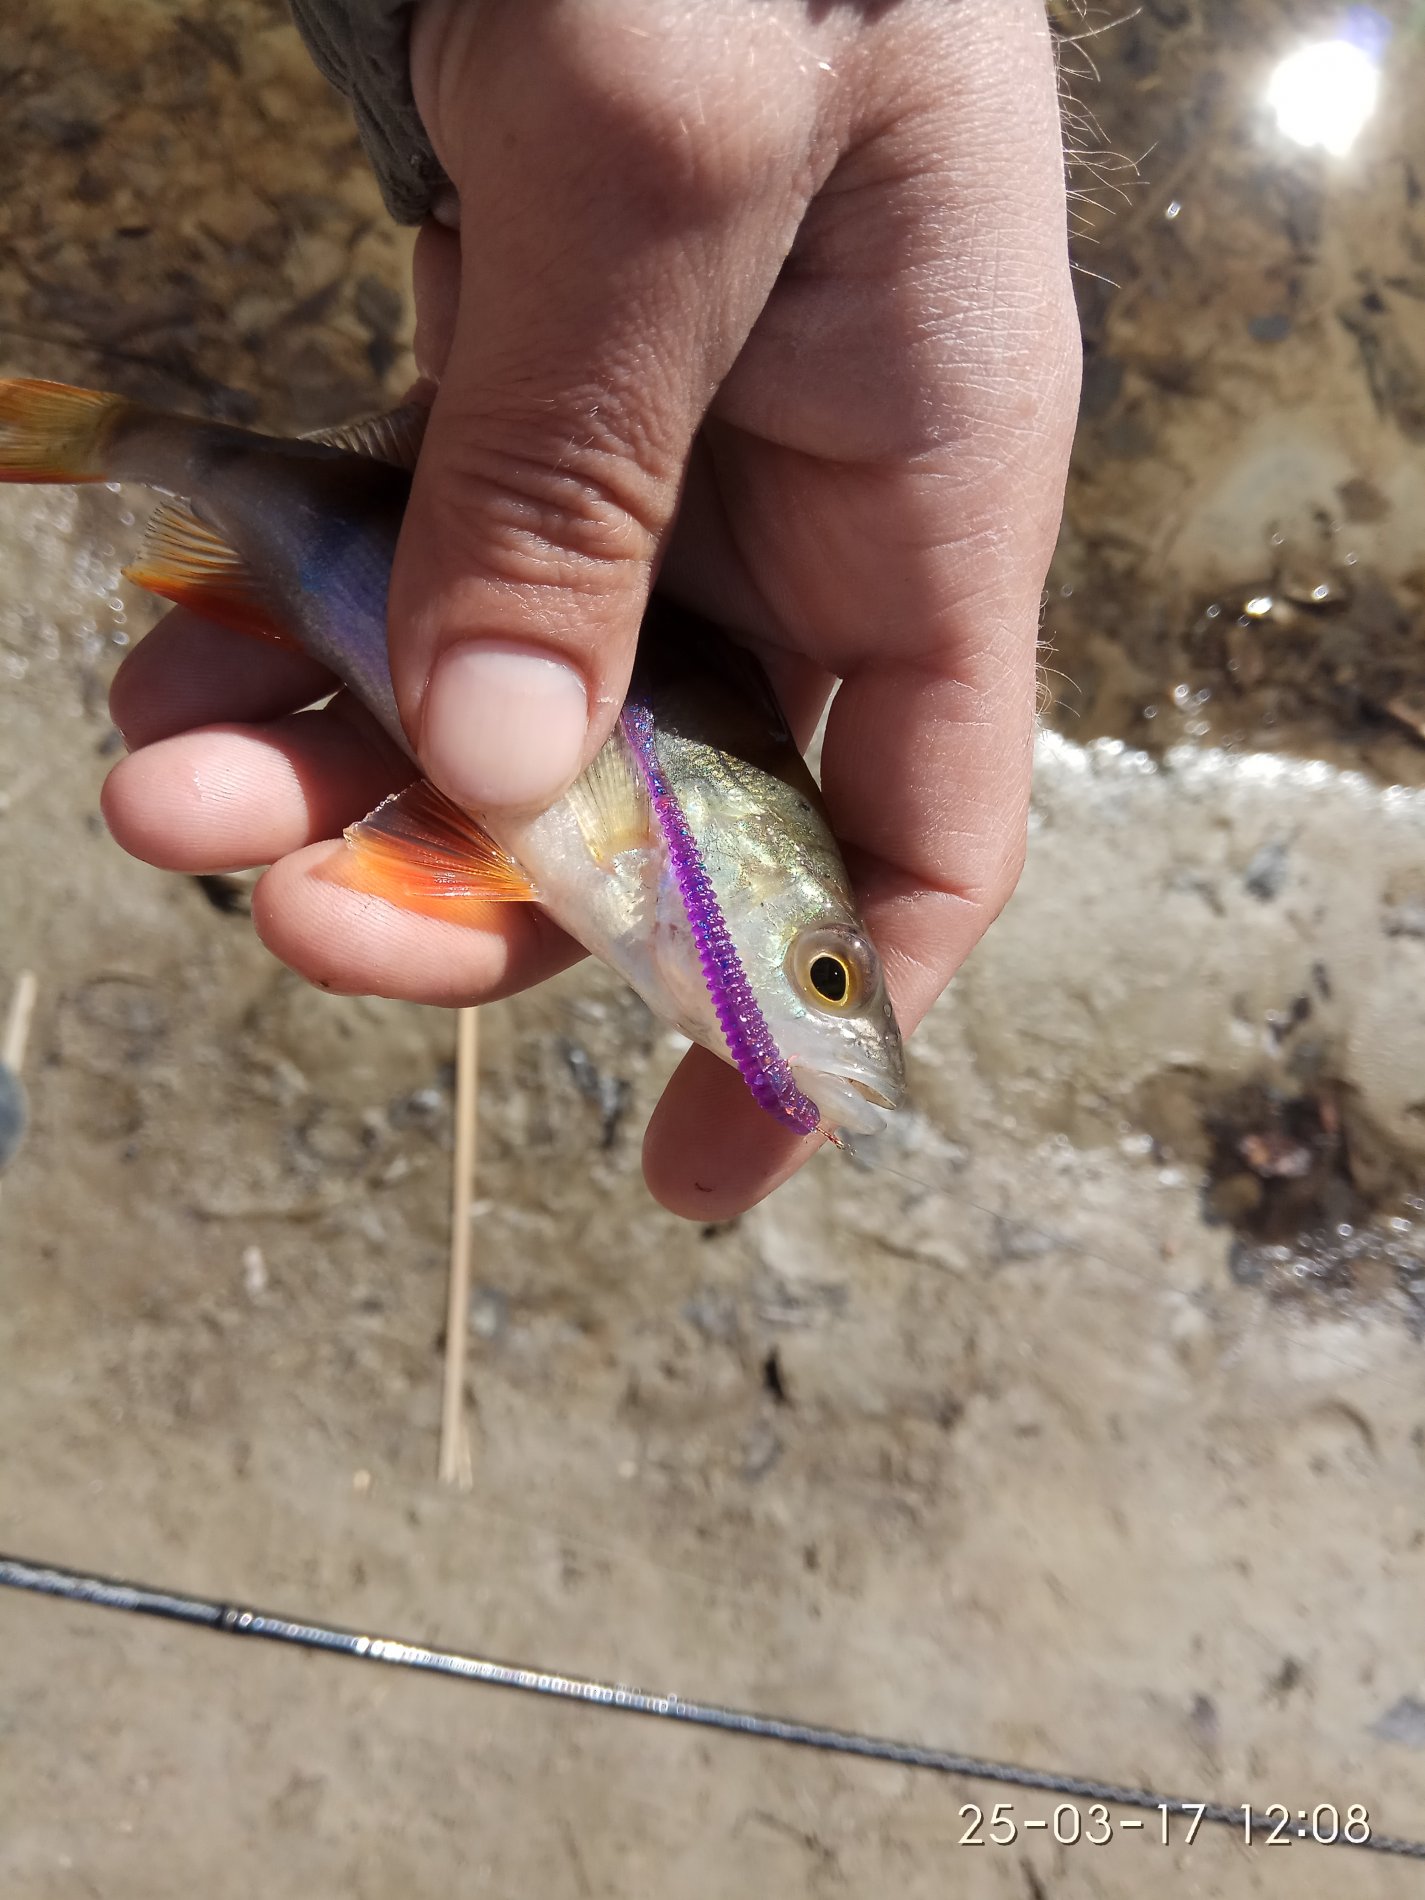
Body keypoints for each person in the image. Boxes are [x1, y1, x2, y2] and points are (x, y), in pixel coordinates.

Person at [103, 0, 1081, 1218]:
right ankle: (129, 444)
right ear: (733, 852)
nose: (828, 1008)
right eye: (825, 972)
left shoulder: (634, 883)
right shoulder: (639, 849)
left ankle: (137, 446)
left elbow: (456, 849)